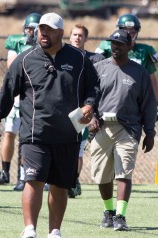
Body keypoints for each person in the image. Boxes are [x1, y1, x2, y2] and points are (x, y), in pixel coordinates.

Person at [0, 12, 99, 238]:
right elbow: (7, 91)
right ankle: (29, 230)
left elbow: (94, 87)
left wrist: (89, 104)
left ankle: (54, 234)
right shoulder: (25, 59)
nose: (43, 33)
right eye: (41, 29)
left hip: (68, 135)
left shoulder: (79, 59)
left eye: (49, 30)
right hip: (35, 135)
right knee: (33, 180)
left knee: (60, 185)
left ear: (61, 32)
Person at [89, 29, 157, 231]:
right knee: (101, 175)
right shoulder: (98, 68)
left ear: (130, 46)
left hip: (128, 129)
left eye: (120, 43)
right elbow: (87, 98)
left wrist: (150, 131)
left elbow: (148, 103)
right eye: (113, 43)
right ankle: (108, 211)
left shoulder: (139, 72)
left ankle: (120, 216)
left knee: (123, 173)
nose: (115, 46)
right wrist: (91, 117)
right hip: (101, 127)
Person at [0, 13, 42, 192]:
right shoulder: (16, 42)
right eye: (29, 28)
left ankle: (25, 175)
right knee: (9, 132)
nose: (32, 32)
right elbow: (12, 68)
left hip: (36, 98)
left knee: (29, 137)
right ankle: (5, 172)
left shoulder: (45, 46)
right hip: (17, 96)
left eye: (35, 29)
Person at [95, 14, 158, 121]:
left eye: (132, 31)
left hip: (136, 101)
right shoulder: (107, 48)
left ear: (137, 32)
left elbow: (152, 80)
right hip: (107, 99)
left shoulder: (143, 51)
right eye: (125, 31)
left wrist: (156, 103)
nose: (129, 34)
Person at [68, 23, 105, 198]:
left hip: (84, 110)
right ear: (69, 37)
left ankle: (73, 181)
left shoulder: (95, 59)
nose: (77, 38)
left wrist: (93, 112)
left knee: (78, 148)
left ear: (85, 38)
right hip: (64, 109)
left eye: (80, 35)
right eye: (74, 35)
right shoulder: (63, 57)